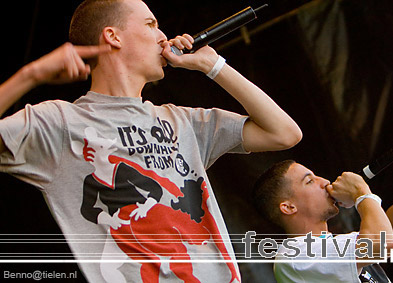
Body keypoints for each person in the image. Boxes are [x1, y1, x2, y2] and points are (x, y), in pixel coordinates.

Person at [0, 0, 302, 282]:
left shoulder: (183, 121)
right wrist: (31, 75)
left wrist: (214, 66)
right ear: (112, 37)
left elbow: (284, 133)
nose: (163, 37)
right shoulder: (61, 122)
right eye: (151, 24)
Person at [253, 160, 393, 283]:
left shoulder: (326, 247)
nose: (325, 182)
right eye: (310, 181)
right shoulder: (295, 256)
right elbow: (382, 242)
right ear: (289, 207)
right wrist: (360, 192)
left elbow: (391, 229)